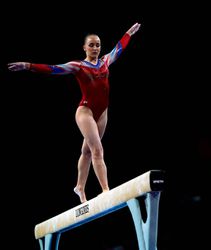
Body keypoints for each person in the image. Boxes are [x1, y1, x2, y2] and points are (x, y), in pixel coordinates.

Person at [8, 22, 141, 203]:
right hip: (85, 111)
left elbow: (119, 48)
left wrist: (128, 34)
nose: (95, 47)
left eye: (98, 44)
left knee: (86, 151)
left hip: (102, 113)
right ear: (84, 47)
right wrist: (28, 65)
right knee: (97, 150)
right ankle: (105, 190)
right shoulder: (77, 66)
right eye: (91, 44)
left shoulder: (105, 61)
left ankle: (79, 187)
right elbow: (53, 68)